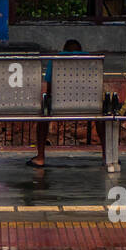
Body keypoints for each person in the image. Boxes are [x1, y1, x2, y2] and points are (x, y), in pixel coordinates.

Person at [29, 38, 84, 168]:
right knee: (103, 115)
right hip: (88, 105)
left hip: (59, 104)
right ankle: (106, 156)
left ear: (63, 51)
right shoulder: (91, 60)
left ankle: (40, 157)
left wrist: (48, 101)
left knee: (43, 117)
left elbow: (49, 88)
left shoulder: (55, 59)